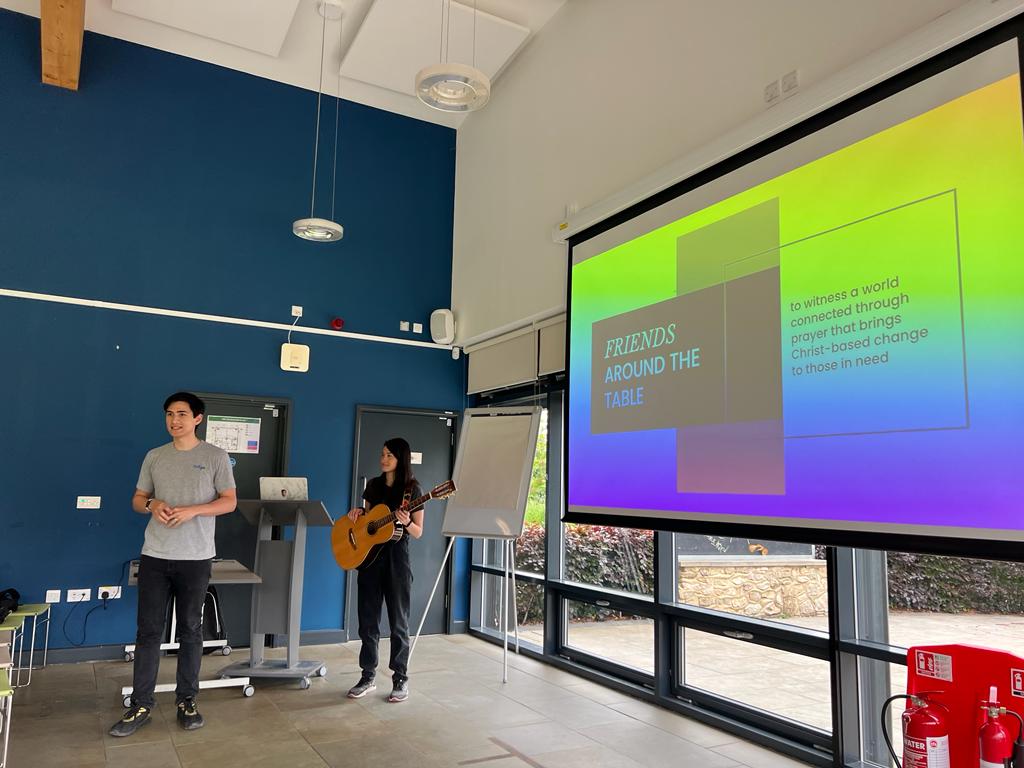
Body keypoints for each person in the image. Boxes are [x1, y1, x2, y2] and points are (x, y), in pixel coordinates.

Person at [109, 392, 237, 737]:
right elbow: (137, 499)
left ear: (198, 418)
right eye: (169, 414)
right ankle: (141, 704)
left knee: (191, 631)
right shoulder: (155, 456)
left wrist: (194, 510)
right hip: (155, 554)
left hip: (195, 557)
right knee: (148, 631)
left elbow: (229, 502)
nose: (174, 420)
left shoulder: (215, 456)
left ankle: (187, 700)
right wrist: (152, 503)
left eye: (181, 414)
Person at [346, 438, 423, 703]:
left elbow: (418, 531)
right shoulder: (374, 486)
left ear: (401, 458)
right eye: (382, 454)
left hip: (397, 563)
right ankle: (367, 675)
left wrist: (407, 521)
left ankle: (400, 678)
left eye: (389, 455)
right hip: (369, 562)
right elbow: (368, 522)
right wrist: (358, 513)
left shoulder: (412, 490)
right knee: (368, 622)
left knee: (399, 623)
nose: (383, 459)